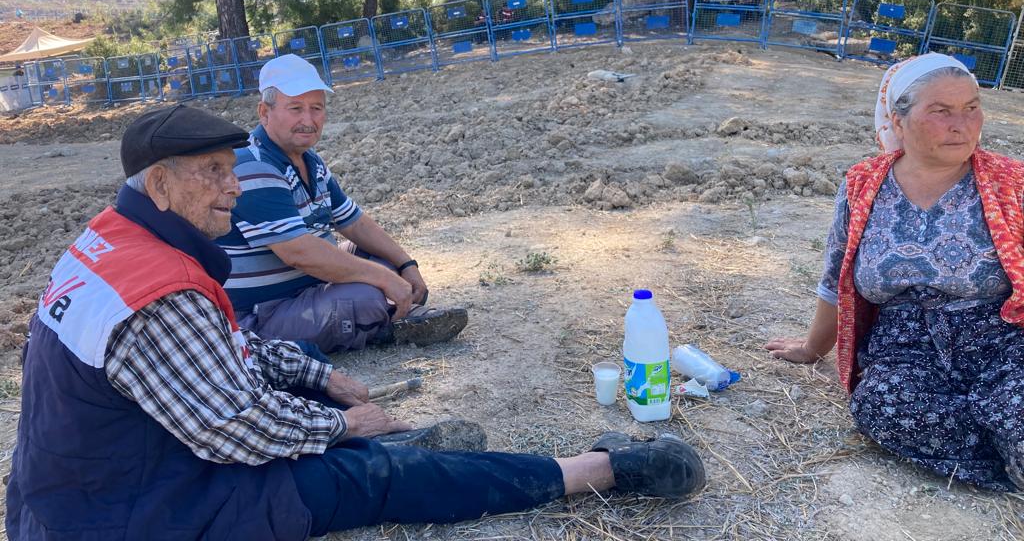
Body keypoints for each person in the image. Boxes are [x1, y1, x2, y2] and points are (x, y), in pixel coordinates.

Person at [5, 104, 708, 540]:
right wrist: (344, 424)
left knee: (312, 409)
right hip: (137, 515)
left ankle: (406, 450)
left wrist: (323, 379)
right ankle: (606, 470)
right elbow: (235, 431)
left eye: (233, 168)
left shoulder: (112, 243)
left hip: (81, 493)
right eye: (214, 172)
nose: (233, 187)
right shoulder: (159, 292)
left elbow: (225, 348)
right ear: (159, 185)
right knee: (369, 477)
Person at [766, 53, 1024, 491]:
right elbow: (837, 277)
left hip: (999, 338)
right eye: (940, 111)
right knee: (882, 406)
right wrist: (813, 347)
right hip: (905, 344)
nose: (961, 124)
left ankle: (1006, 429)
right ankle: (1004, 442)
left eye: (972, 107)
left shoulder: (1011, 181)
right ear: (898, 120)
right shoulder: (863, 183)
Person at [217, 54, 468, 352]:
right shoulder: (252, 165)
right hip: (264, 312)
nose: (308, 121)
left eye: (316, 109)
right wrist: (385, 279)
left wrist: (405, 264)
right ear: (264, 112)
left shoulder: (309, 160)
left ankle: (391, 312)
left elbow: (354, 222)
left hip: (307, 286)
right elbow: (299, 253)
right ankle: (391, 324)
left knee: (385, 264)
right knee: (366, 296)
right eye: (295, 109)